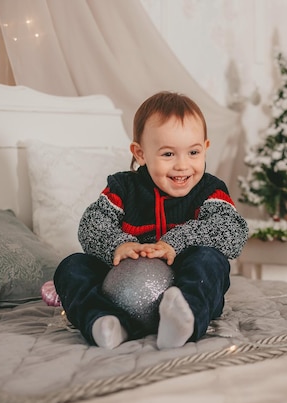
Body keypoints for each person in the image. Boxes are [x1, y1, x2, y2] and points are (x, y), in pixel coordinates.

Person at [53, 91, 248, 350]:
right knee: (72, 266)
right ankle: (105, 321)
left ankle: (183, 322)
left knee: (210, 261)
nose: (182, 165)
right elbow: (91, 223)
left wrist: (175, 243)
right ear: (140, 153)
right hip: (121, 288)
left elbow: (233, 231)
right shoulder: (124, 187)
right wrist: (120, 245)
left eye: (193, 152)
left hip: (183, 282)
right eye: (168, 154)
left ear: (206, 149)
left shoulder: (210, 190)